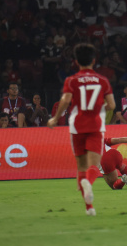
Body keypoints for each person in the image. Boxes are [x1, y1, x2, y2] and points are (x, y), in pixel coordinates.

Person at [47, 43, 116, 216]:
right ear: (94, 60)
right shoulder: (103, 81)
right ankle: (89, 186)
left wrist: (55, 118)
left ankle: (88, 207)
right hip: (95, 126)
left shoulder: (71, 80)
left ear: (76, 62)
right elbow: (112, 105)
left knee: (81, 167)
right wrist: (99, 107)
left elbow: (65, 101)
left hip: (77, 126)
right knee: (94, 165)